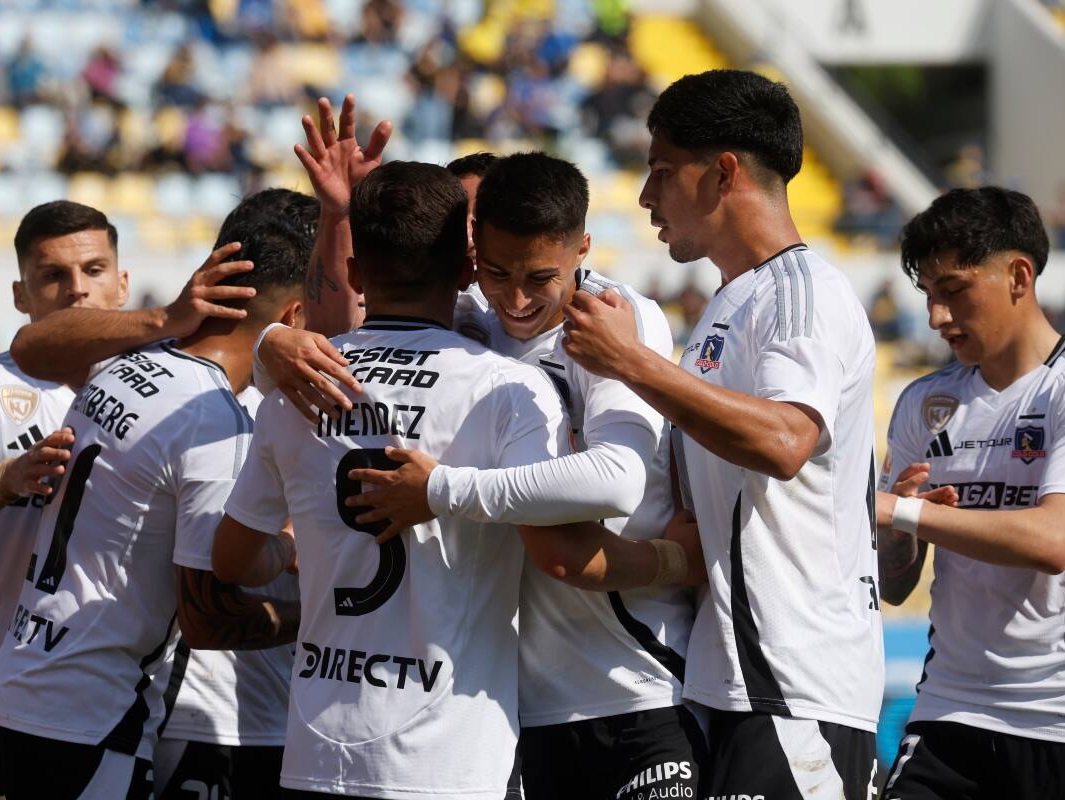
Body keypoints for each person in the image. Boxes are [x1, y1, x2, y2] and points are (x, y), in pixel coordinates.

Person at [340, 152, 706, 799]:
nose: (515, 299)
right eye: (496, 273)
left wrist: (440, 490)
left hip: (637, 683)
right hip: (519, 703)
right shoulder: (470, 324)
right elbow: (351, 343)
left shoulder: (614, 317)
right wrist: (272, 344)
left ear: (582, 249)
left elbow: (618, 480)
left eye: (540, 279)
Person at [561, 69, 883, 798]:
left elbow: (785, 442)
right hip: (732, 680)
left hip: (797, 686)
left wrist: (630, 362)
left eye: (662, 171)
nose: (646, 196)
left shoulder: (803, 293)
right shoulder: (730, 303)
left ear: (724, 172)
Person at [212, 160, 571, 799]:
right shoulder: (509, 389)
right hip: (450, 759)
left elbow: (232, 560)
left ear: (356, 274)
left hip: (318, 748)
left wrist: (301, 545)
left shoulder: (299, 386)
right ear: (467, 270)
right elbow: (559, 537)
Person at [0, 189, 311, 800]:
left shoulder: (125, 362)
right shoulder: (215, 421)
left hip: (19, 688)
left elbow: (32, 345)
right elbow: (208, 618)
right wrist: (316, 614)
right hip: (88, 720)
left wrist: (163, 319)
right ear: (293, 318)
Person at [876, 187, 1065, 800]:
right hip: (948, 707)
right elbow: (895, 585)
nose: (936, 317)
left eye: (953, 290)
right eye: (927, 295)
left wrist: (904, 511)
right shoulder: (923, 402)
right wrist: (897, 529)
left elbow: (1053, 542)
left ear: (1018, 276)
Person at [0, 201, 129, 800]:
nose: (77, 289)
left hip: (123, 715)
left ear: (122, 283)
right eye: (53, 275)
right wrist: (4, 480)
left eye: (93, 270)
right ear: (20, 294)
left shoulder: (169, 394)